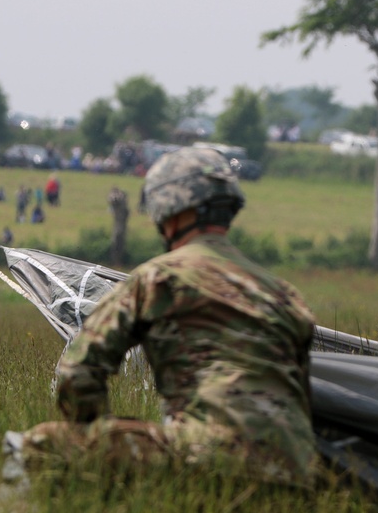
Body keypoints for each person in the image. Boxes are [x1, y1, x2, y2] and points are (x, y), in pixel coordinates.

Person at [20, 147, 318, 487]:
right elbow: (304, 392)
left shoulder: (159, 279)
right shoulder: (284, 295)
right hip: (296, 471)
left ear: (167, 210)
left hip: (208, 459)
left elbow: (78, 373)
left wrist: (93, 432)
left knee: (42, 443)